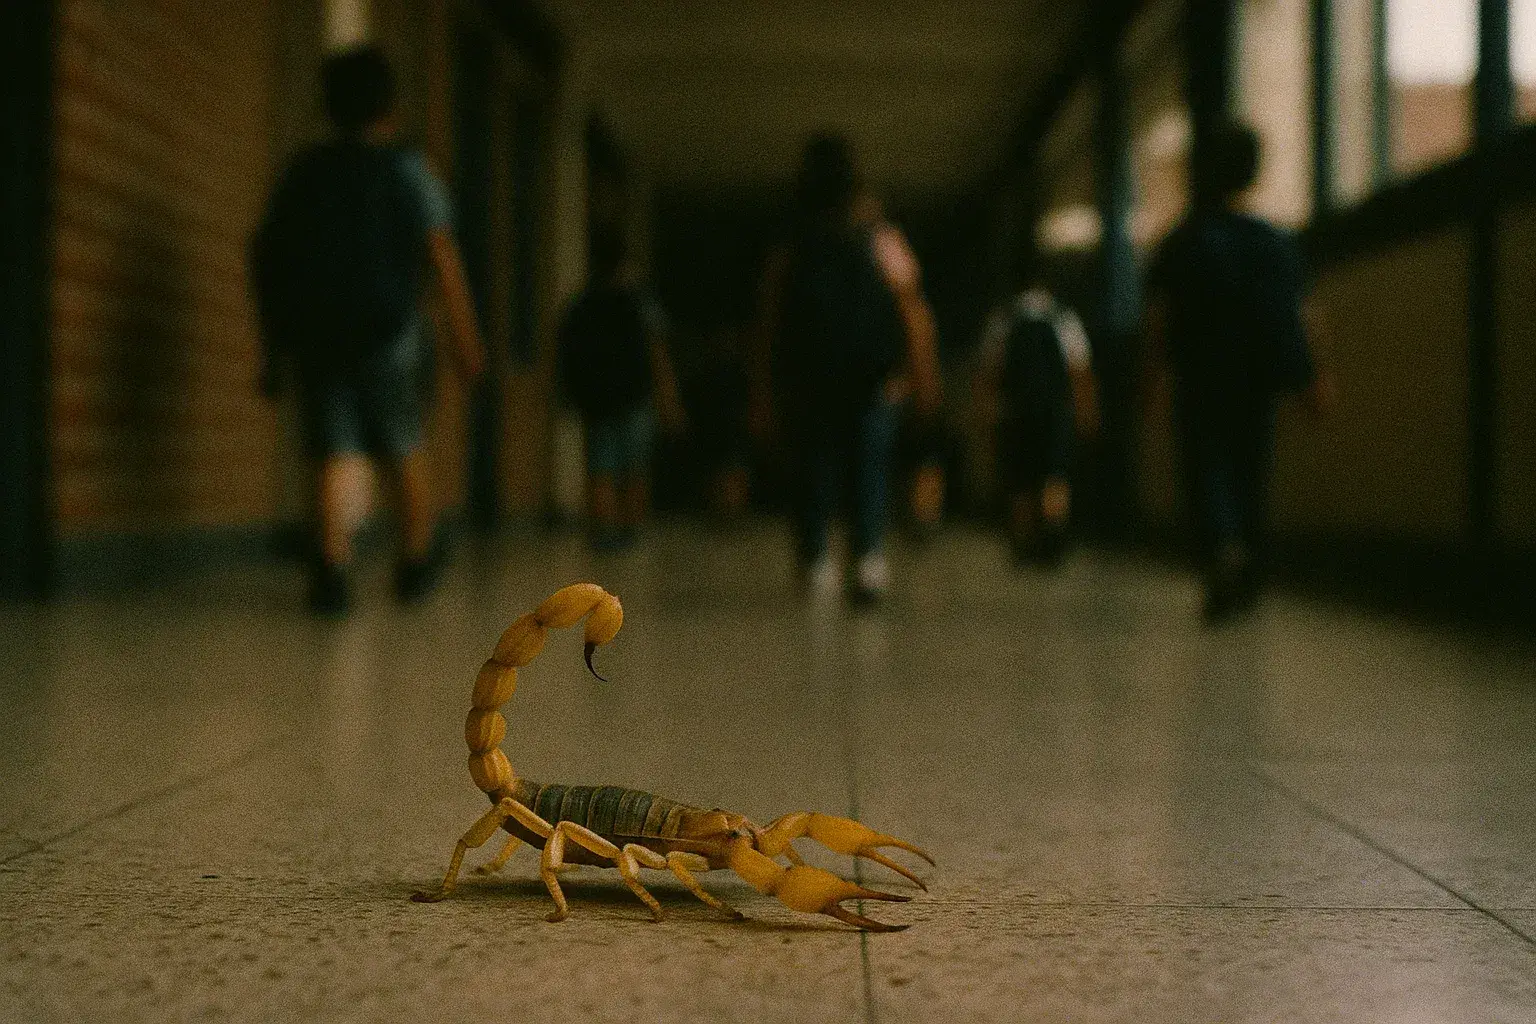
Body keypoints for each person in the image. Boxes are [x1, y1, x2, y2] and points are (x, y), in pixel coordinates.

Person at [252, 46, 485, 614]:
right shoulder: (407, 170)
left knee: (331, 448)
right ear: (389, 105)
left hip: (320, 335)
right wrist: (465, 340)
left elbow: (270, 253)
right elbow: (441, 255)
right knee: (402, 442)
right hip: (391, 333)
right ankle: (415, 559)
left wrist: (274, 342)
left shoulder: (305, 172)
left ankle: (332, 567)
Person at [1144, 121, 1332, 621]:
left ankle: (1221, 548)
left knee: (1205, 468)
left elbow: (1160, 320)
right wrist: (1310, 379)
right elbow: (1296, 317)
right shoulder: (1274, 243)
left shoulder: (1181, 242)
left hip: (1199, 377)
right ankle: (1248, 565)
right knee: (1251, 470)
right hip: (1256, 380)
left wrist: (1154, 381)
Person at [752, 134, 941, 604]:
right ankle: (868, 560)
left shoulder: (792, 242)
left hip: (810, 379)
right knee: (869, 469)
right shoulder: (882, 238)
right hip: (874, 379)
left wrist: (764, 388)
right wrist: (922, 377)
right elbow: (911, 308)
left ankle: (815, 560)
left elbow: (769, 321)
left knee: (814, 468)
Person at [556, 231, 685, 550]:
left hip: (598, 399)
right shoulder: (640, 302)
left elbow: (566, 351)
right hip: (635, 397)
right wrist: (668, 398)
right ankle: (629, 530)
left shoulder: (582, 303)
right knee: (634, 466)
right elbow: (657, 352)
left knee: (601, 465)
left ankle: (604, 530)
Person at [976, 263, 1098, 565]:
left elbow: (991, 370)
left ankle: (1023, 543)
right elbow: (1079, 369)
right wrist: (1086, 412)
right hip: (1054, 410)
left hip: (1016, 411)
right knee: (1054, 475)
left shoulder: (1004, 317)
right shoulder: (1063, 316)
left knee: (1021, 479)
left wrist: (987, 412)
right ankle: (1053, 538)